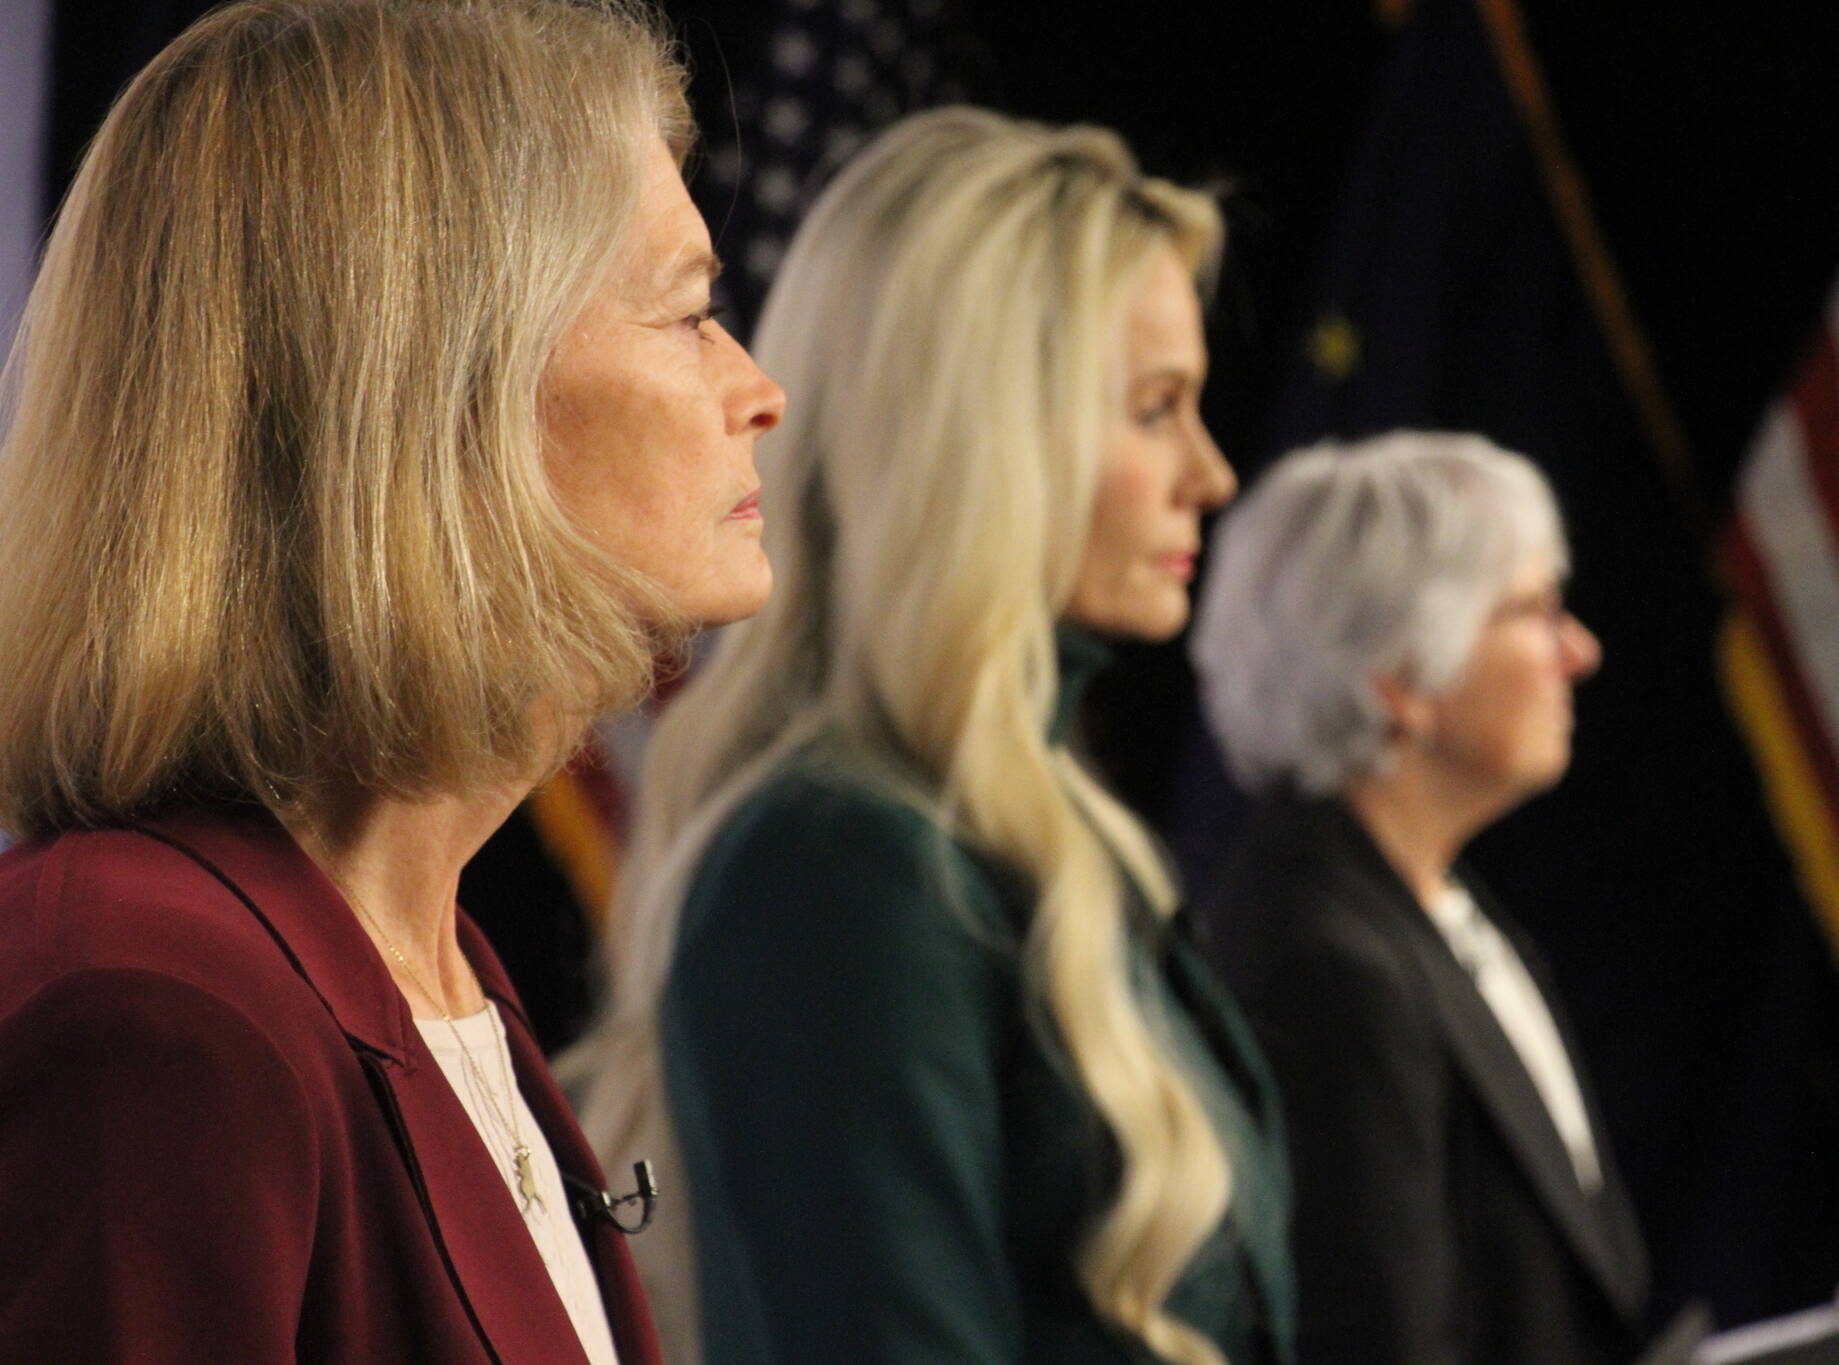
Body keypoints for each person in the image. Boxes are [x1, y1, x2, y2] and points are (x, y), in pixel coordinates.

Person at [0, 2, 784, 1361]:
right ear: (434, 391)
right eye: (692, 314)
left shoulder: (433, 964)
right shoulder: (154, 1008)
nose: (758, 388)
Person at [569, 107, 1293, 1365]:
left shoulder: (1047, 839)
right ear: (986, 432)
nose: (1212, 473)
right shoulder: (837, 870)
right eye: (1155, 408)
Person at [1189, 433, 1649, 1365]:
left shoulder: (1432, 909)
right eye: (1536, 610)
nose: (1581, 650)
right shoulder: (1325, 968)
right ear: (1401, 676)